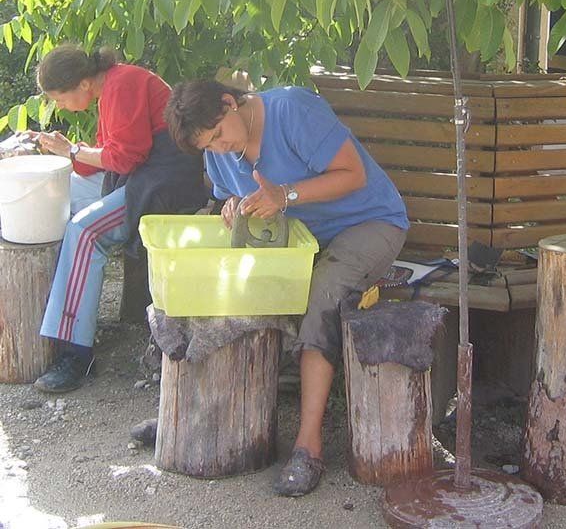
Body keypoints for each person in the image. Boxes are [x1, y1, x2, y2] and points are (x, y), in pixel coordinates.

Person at [163, 79, 409, 497]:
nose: (220, 149)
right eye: (210, 146)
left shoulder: (291, 109)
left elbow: (354, 174)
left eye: (220, 135)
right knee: (226, 285)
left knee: (323, 294)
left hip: (368, 224)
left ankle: (307, 446)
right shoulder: (218, 153)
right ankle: (200, 412)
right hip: (295, 241)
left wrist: (285, 194)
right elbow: (229, 194)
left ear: (230, 102)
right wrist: (230, 206)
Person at [31, 45, 207, 393]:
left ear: (82, 83)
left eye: (60, 98)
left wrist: (74, 152)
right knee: (64, 195)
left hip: (165, 181)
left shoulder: (121, 84)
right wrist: (68, 152)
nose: (61, 106)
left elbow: (125, 158)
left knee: (84, 231)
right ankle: (57, 322)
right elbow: (109, 155)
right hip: (143, 173)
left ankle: (75, 352)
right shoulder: (110, 86)